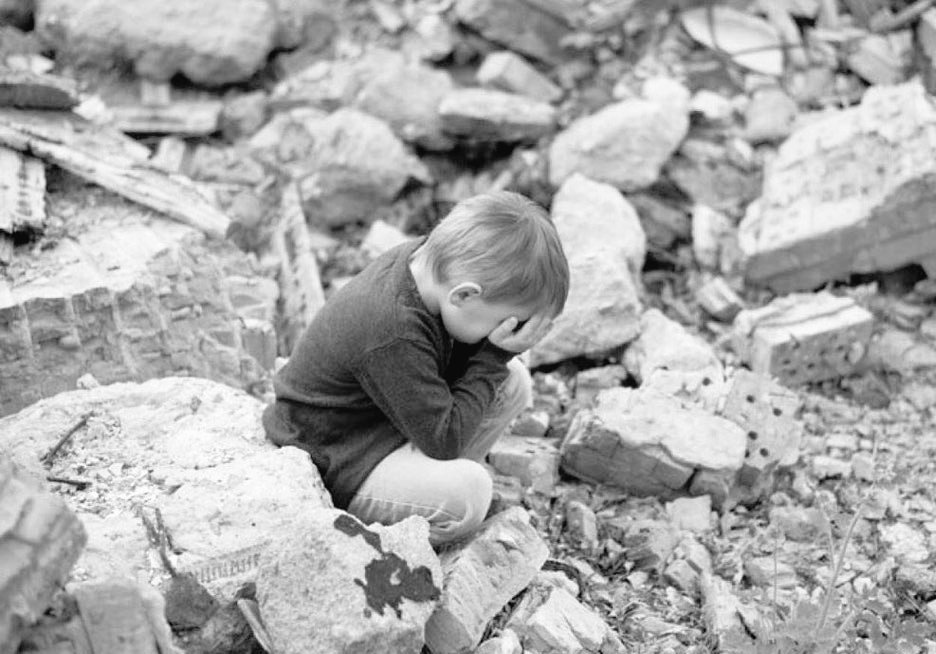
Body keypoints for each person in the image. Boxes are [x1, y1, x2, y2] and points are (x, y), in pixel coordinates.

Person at [262, 191, 570, 544]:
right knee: (469, 496)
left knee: (513, 382)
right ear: (464, 295)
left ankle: (427, 483)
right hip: (335, 456)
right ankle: (384, 542)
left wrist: (496, 355)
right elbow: (445, 440)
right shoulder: (393, 329)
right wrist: (493, 357)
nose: (502, 334)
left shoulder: (430, 265)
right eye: (502, 323)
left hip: (378, 423)